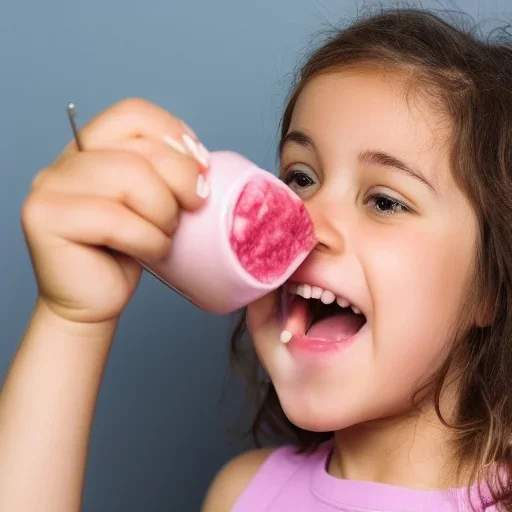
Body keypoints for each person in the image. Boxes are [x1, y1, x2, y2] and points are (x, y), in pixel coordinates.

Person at [0, 6, 511, 512]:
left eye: (384, 201)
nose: (304, 223)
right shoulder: (243, 493)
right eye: (301, 178)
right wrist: (72, 319)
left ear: (491, 285)